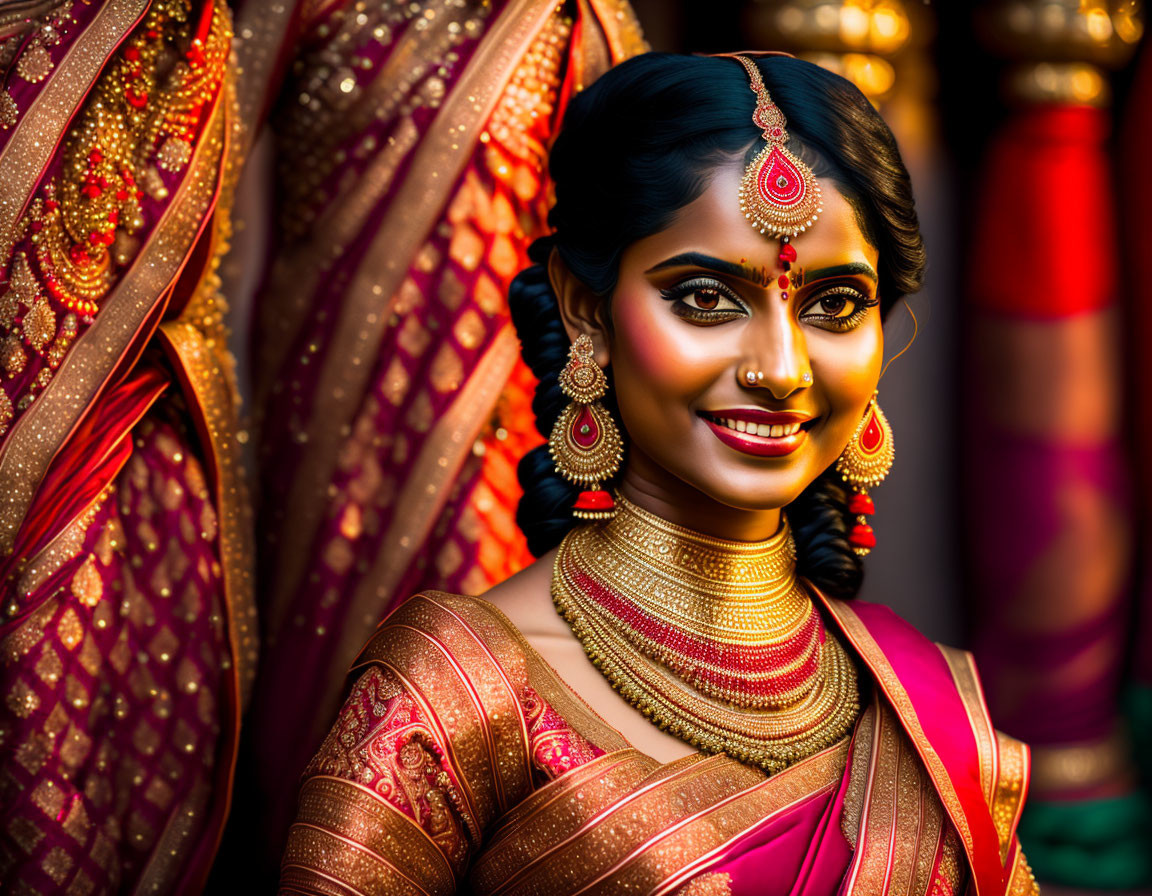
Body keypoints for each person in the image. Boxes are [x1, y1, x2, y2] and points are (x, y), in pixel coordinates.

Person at [284, 51, 1037, 894]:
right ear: (584, 306)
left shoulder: (926, 713)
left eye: (834, 304)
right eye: (707, 299)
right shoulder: (457, 696)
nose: (781, 368)